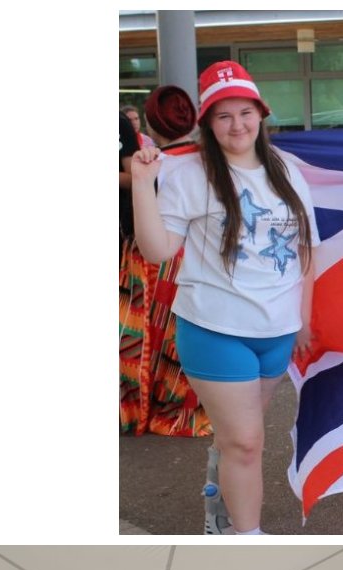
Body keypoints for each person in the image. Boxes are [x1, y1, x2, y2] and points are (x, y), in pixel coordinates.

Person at [131, 61, 319, 535]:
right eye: (223, 116)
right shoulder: (191, 175)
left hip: (275, 332)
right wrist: (140, 184)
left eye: (245, 113)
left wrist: (304, 319)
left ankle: (219, 507)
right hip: (215, 328)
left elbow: (306, 251)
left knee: (237, 440)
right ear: (208, 124)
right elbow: (157, 251)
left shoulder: (288, 172)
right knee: (248, 442)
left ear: (261, 115)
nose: (237, 125)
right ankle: (245, 540)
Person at [120, 84, 212, 439]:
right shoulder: (211, 162)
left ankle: (141, 407)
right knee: (185, 335)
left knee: (141, 338)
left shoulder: (152, 164)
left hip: (147, 260)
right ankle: (185, 409)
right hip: (197, 260)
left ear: (149, 122)